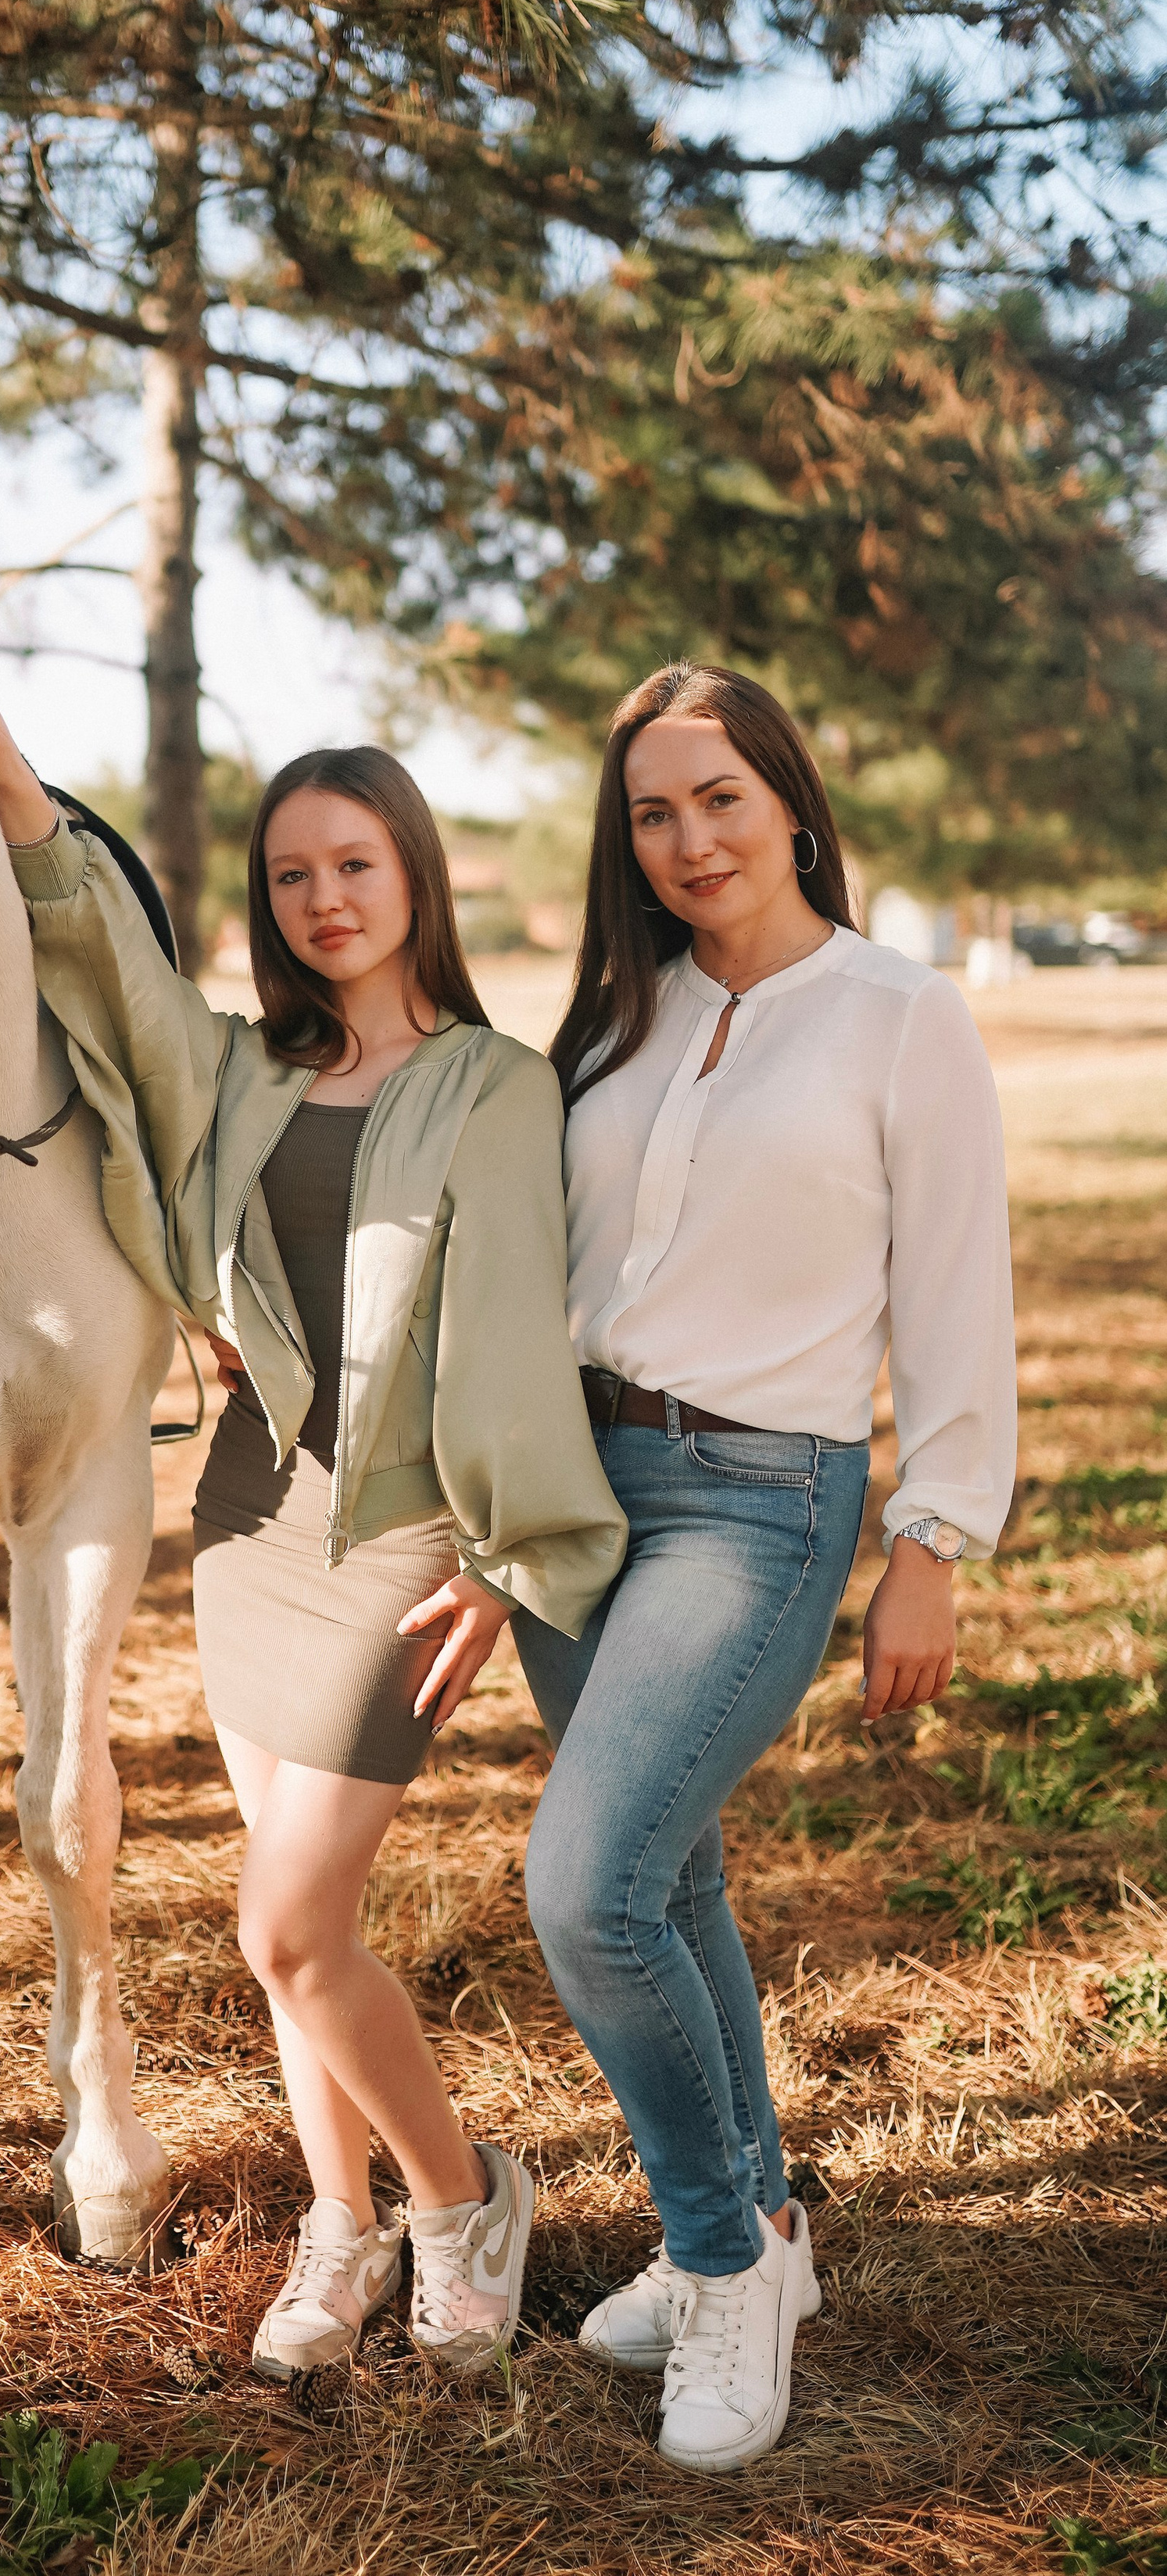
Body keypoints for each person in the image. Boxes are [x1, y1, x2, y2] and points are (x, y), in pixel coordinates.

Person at [0, 630, 625, 2386]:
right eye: (290, 877)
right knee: (288, 1934)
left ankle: (463, 2198)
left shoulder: (491, 1084)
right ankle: (341, 2224)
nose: (324, 899)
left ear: (412, 876)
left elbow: (513, 1332)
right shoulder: (243, 1071)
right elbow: (100, 956)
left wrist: (500, 1557)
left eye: (354, 864)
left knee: (287, 1923)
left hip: (400, 1538)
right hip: (249, 1520)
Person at [527, 661, 1015, 2474]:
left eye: (716, 798)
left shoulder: (899, 1016)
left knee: (585, 1890)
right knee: (673, 1883)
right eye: (650, 812)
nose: (686, 840)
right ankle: (761, 2222)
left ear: (789, 804)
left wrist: (930, 1542)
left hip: (758, 1500)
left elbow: (956, 1287)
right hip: (574, 1496)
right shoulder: (615, 1011)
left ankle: (721, 2266)